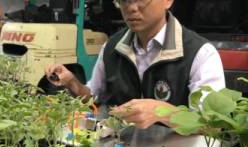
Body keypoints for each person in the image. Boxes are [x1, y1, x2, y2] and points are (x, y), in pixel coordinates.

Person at [45, 0, 225, 129]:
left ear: (168, 1)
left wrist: (161, 112)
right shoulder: (111, 47)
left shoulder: (200, 53)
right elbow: (93, 99)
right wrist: (72, 83)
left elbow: (212, 126)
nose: (131, 8)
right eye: (123, 1)